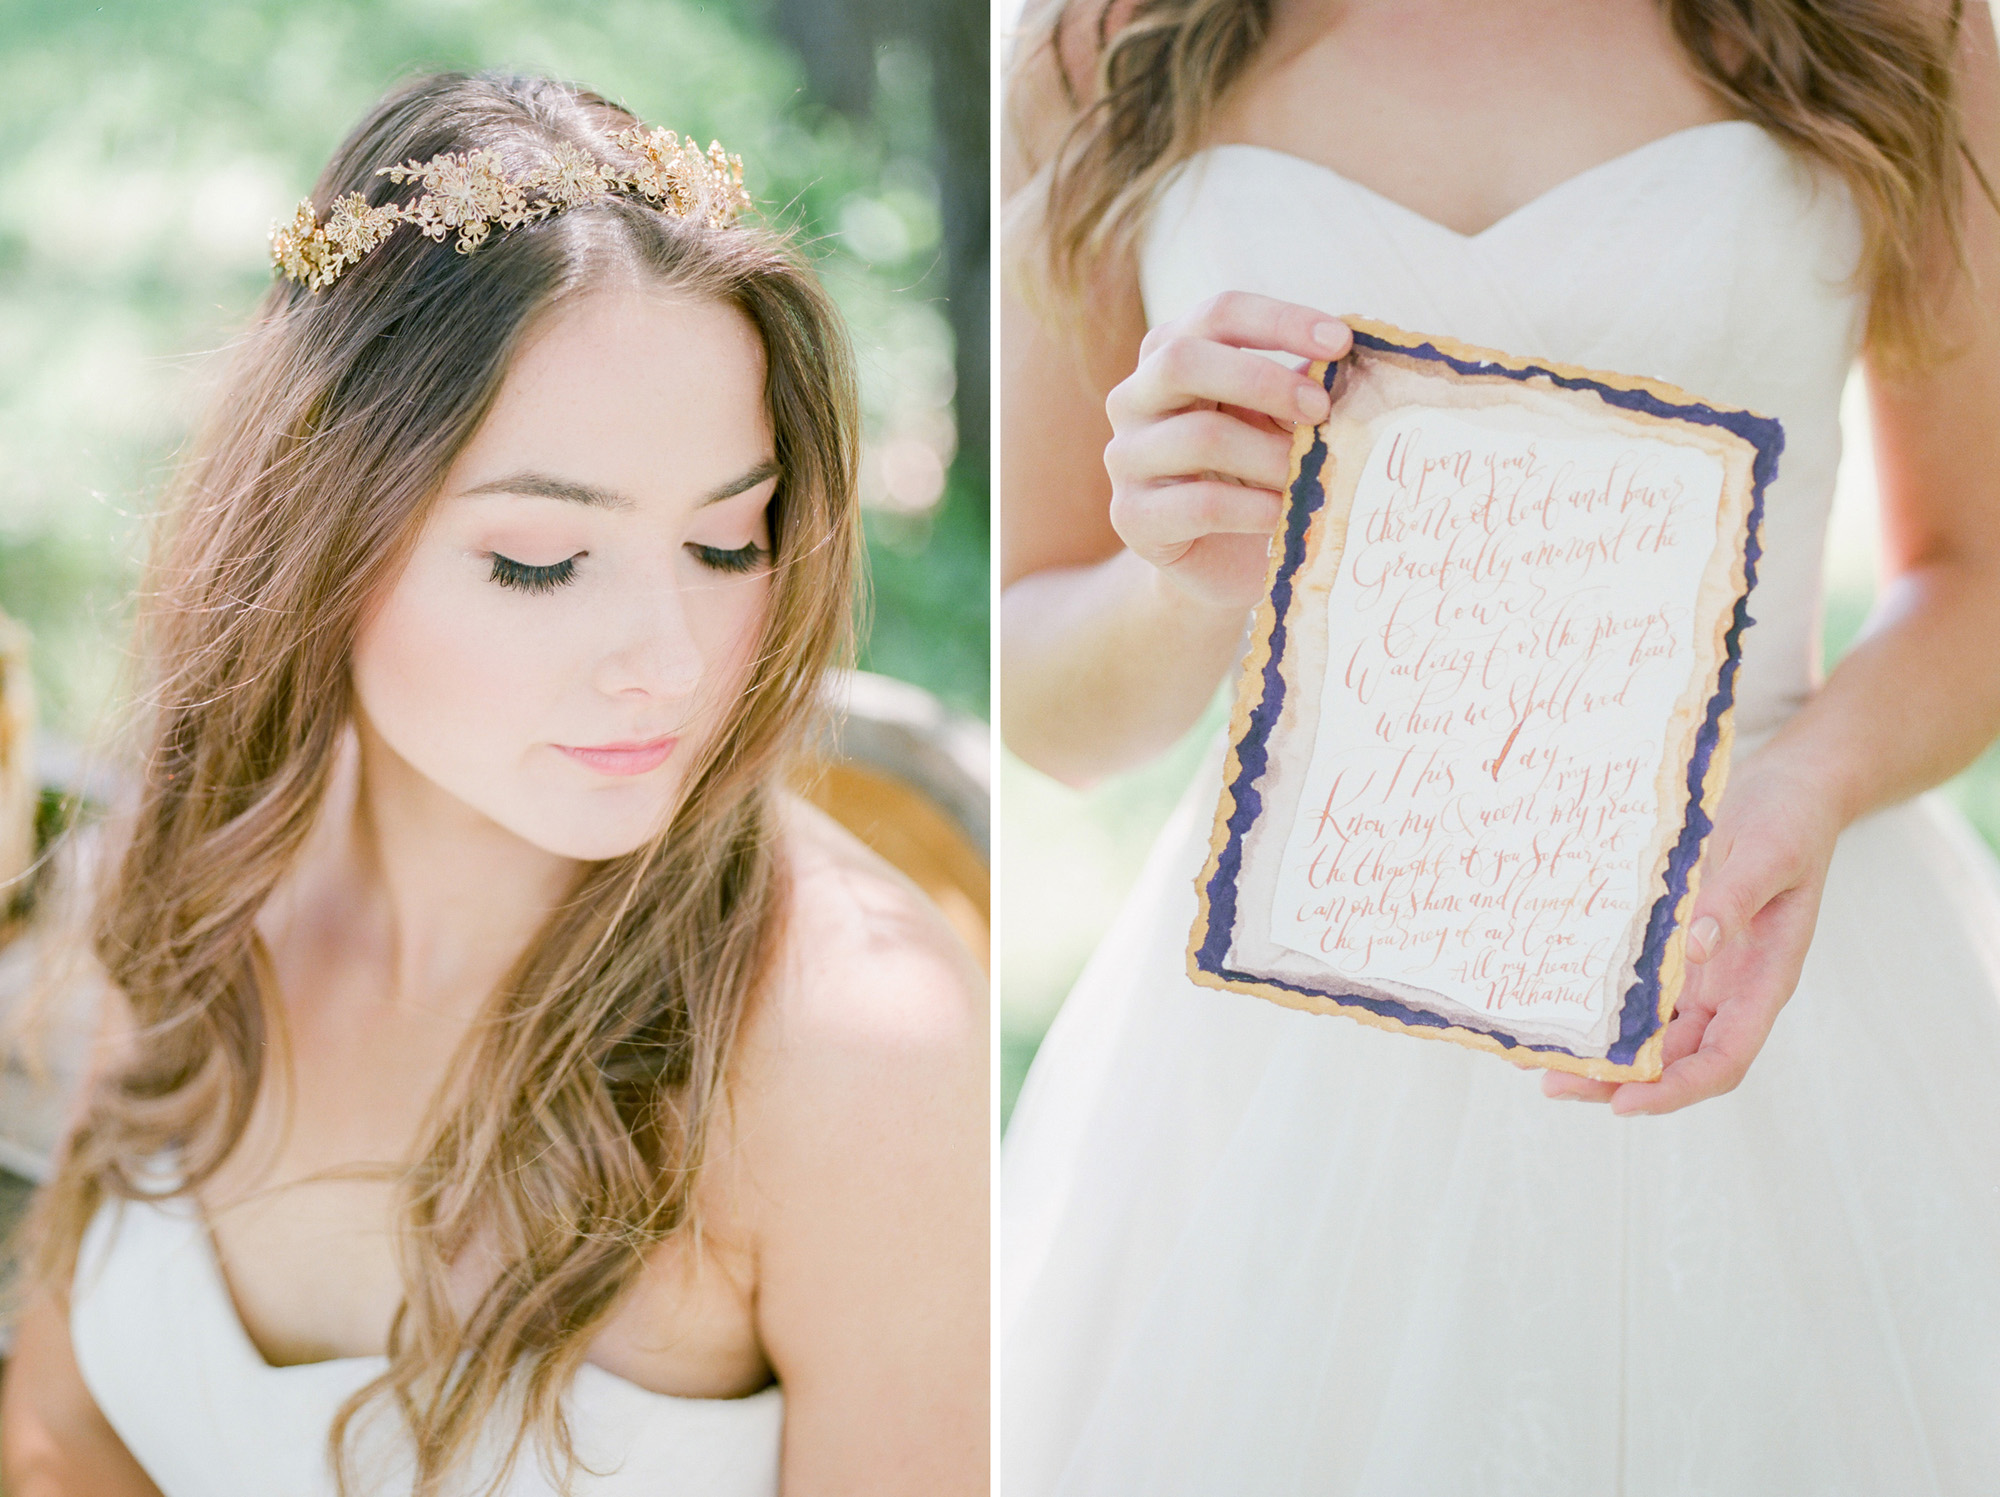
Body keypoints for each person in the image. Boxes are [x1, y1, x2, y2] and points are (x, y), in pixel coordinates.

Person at [1001, 0, 2000, 1491]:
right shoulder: (1097, 40)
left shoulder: (1904, 21)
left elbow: (1977, 569)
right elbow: (1043, 696)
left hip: (1759, 947)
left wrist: (1808, 790)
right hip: (1291, 1017)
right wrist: (1177, 577)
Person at [0, 70, 987, 1497]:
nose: (672, 658)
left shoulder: (845, 1040)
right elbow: (60, 1435)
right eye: (540, 559)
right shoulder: (208, 852)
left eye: (728, 544)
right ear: (319, 528)